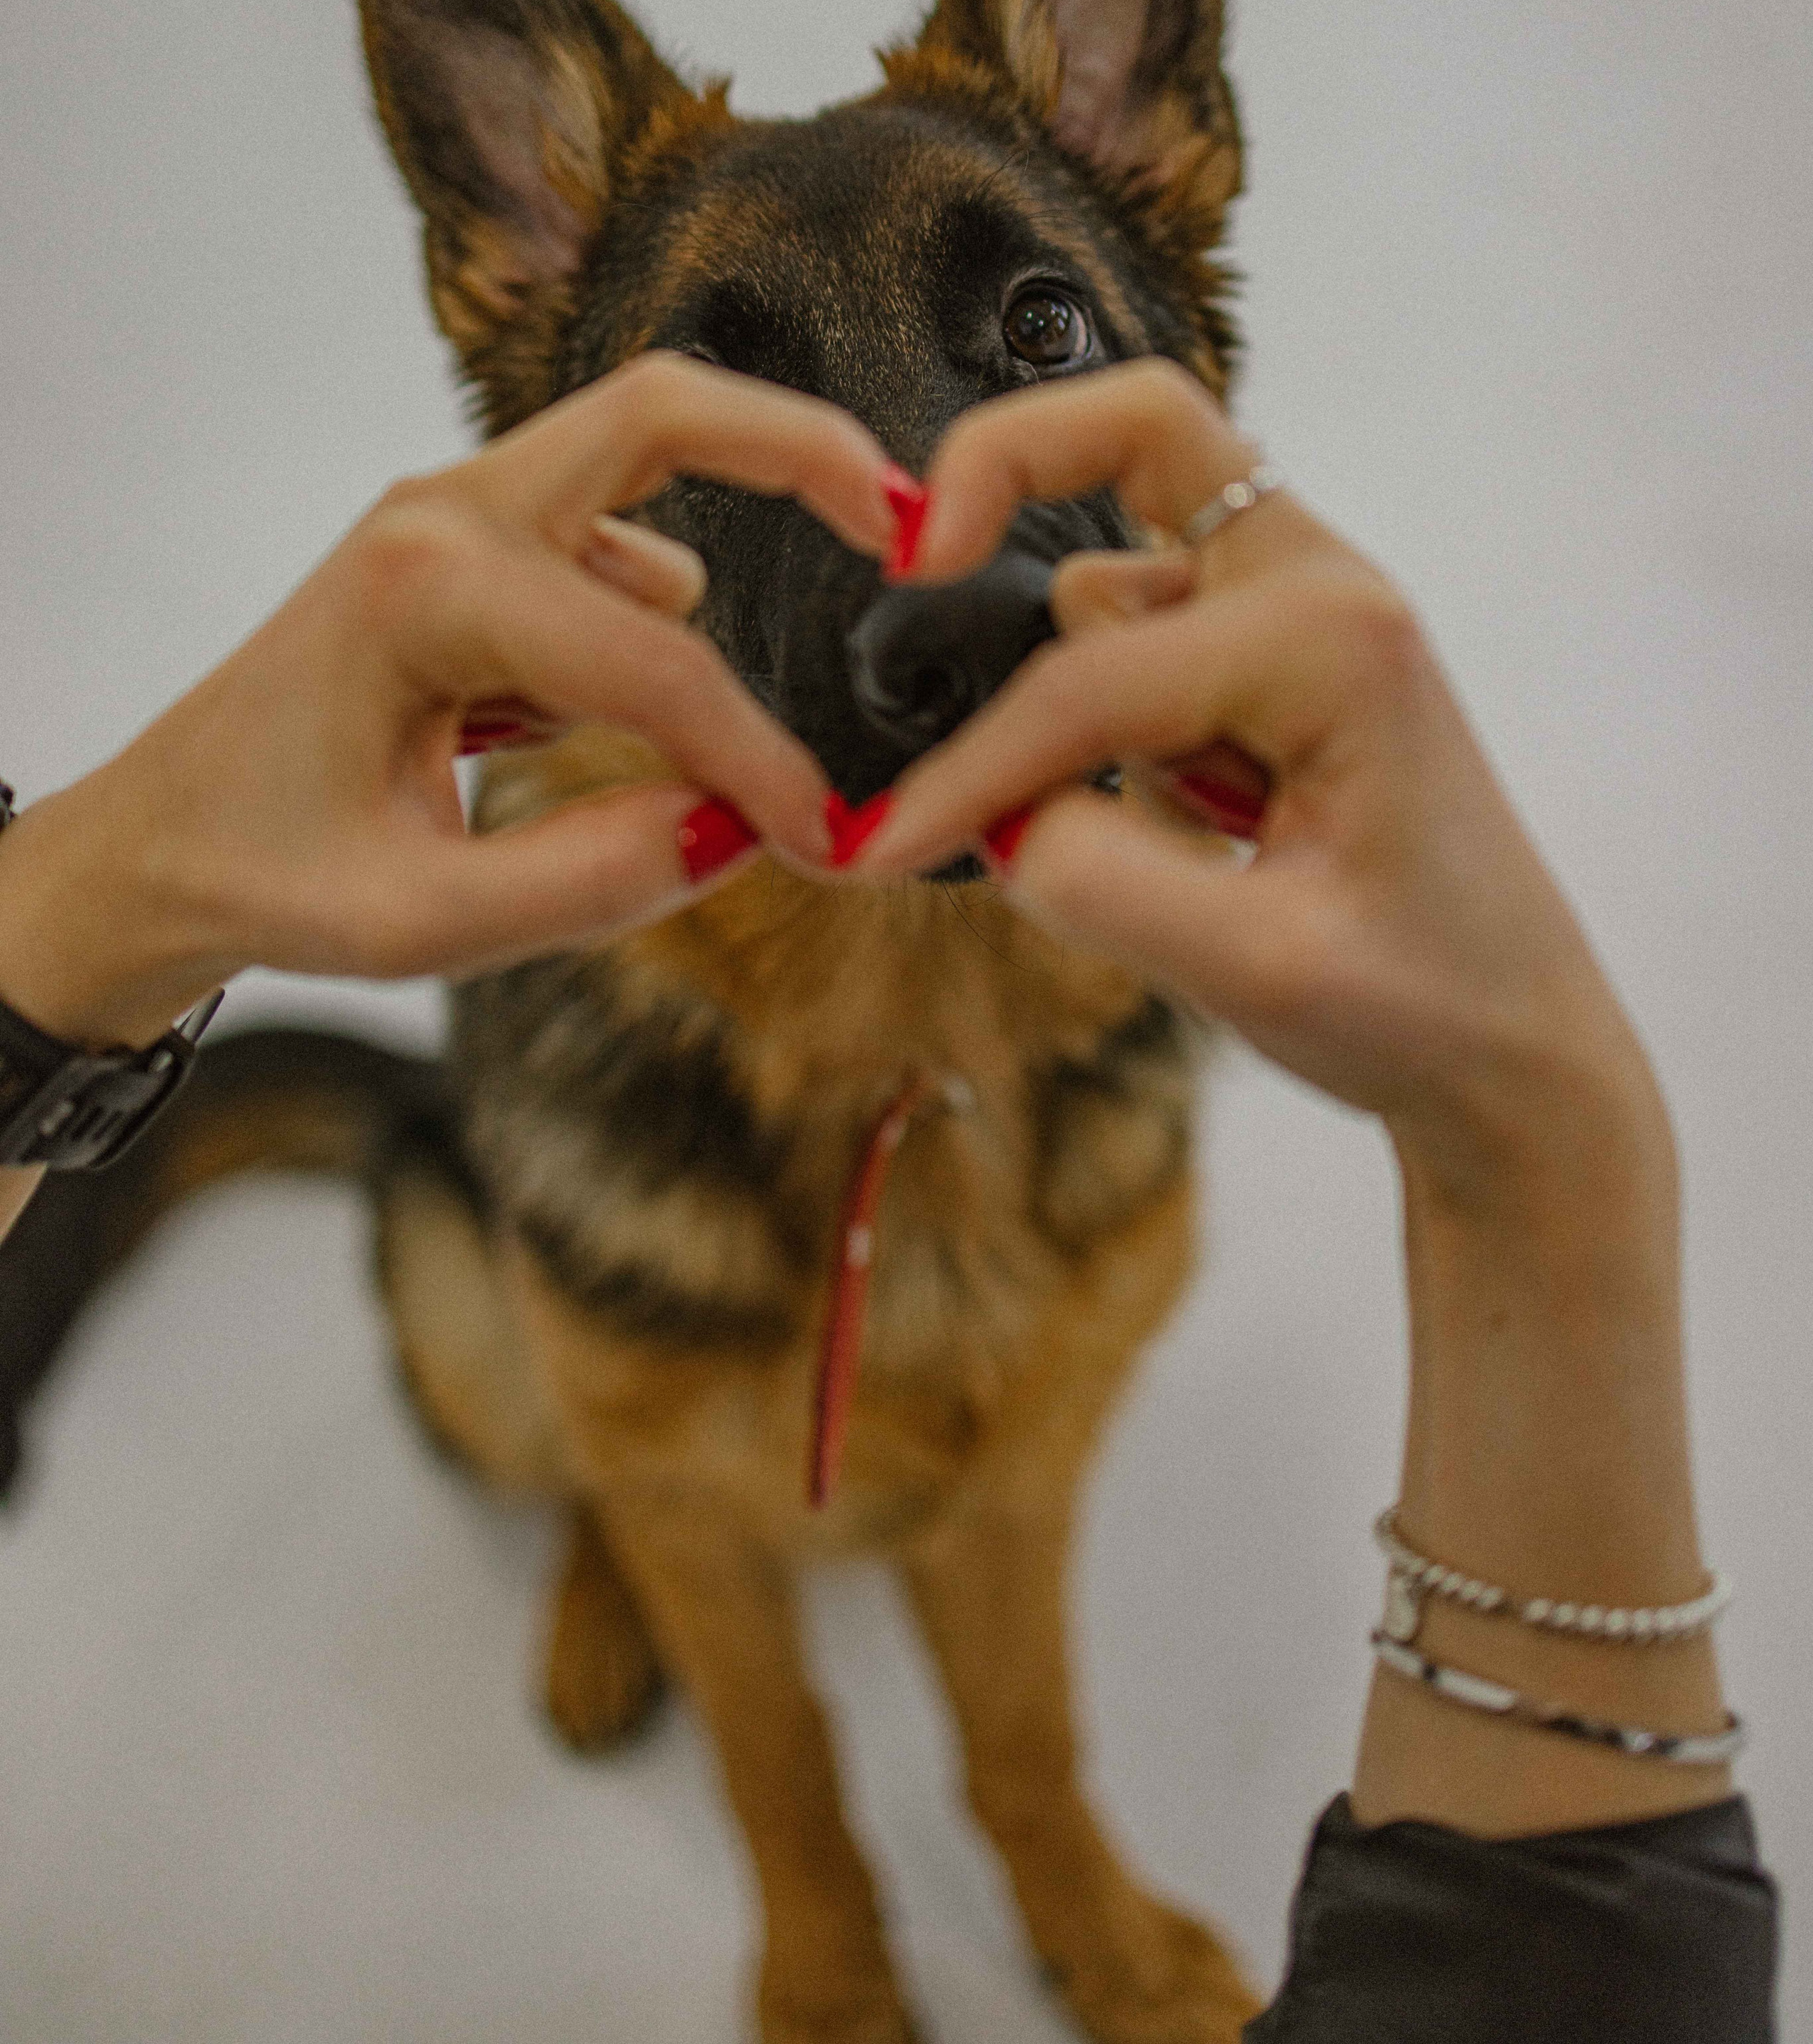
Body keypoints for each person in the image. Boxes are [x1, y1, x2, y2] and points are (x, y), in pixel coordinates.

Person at [0, 353, 1777, 2038]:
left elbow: (1013, 1507)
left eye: (1041, 331)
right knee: (562, 1419)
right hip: (628, 1156)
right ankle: (778, 1818)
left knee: (1001, 1481)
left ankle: (1045, 1852)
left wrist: (1521, 1132)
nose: (912, 567)